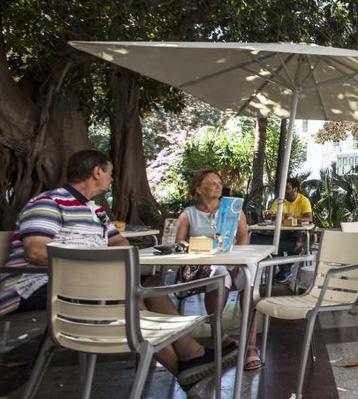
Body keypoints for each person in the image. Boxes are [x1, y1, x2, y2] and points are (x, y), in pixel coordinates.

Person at [0, 150, 225, 388]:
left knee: (152, 284)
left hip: (86, 284)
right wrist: (98, 264)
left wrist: (104, 263)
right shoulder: (48, 202)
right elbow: (35, 251)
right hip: (34, 285)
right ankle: (187, 362)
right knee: (127, 291)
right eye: (110, 173)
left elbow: (121, 244)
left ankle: (190, 358)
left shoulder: (95, 211)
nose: (112, 179)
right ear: (97, 172)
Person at [175, 169, 261, 370]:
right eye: (211, 183)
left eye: (219, 183)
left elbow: (243, 238)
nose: (217, 185)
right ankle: (218, 336)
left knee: (252, 271)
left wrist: (236, 260)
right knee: (219, 274)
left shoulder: (233, 211)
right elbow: (178, 242)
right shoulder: (188, 214)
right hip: (203, 265)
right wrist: (197, 248)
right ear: (198, 189)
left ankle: (250, 346)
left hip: (233, 260)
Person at [256, 177, 313, 284]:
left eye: (287, 188)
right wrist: (281, 215)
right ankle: (285, 269)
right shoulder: (280, 200)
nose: (285, 191)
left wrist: (293, 217)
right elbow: (271, 216)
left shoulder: (303, 200)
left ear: (295, 189)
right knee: (274, 243)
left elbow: (309, 219)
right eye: (284, 188)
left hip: (297, 233)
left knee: (273, 245)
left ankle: (285, 269)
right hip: (282, 232)